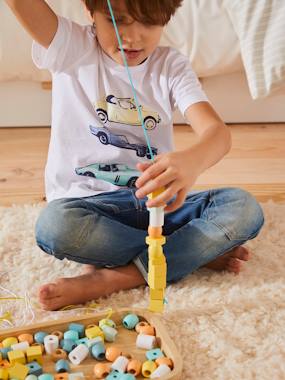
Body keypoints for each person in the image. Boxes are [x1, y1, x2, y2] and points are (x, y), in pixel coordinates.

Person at [5, 0, 264, 311]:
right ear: (91, 12)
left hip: (159, 207)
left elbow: (218, 134)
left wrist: (192, 161)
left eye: (149, 22)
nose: (133, 37)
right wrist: (200, 248)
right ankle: (190, 252)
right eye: (120, 20)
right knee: (54, 226)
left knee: (243, 207)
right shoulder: (71, 48)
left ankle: (118, 277)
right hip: (88, 208)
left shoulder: (170, 65)